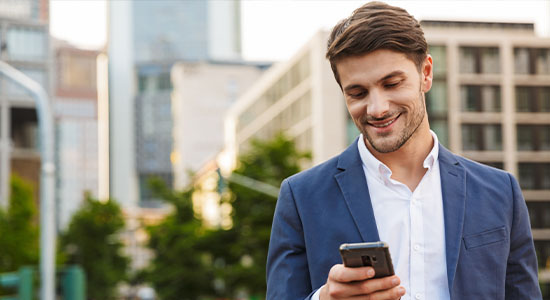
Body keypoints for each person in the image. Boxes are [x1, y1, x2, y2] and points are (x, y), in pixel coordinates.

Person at [266, 2, 542, 300]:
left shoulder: (500, 192)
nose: (377, 108)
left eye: (392, 83)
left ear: (425, 73)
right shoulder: (301, 196)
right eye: (358, 93)